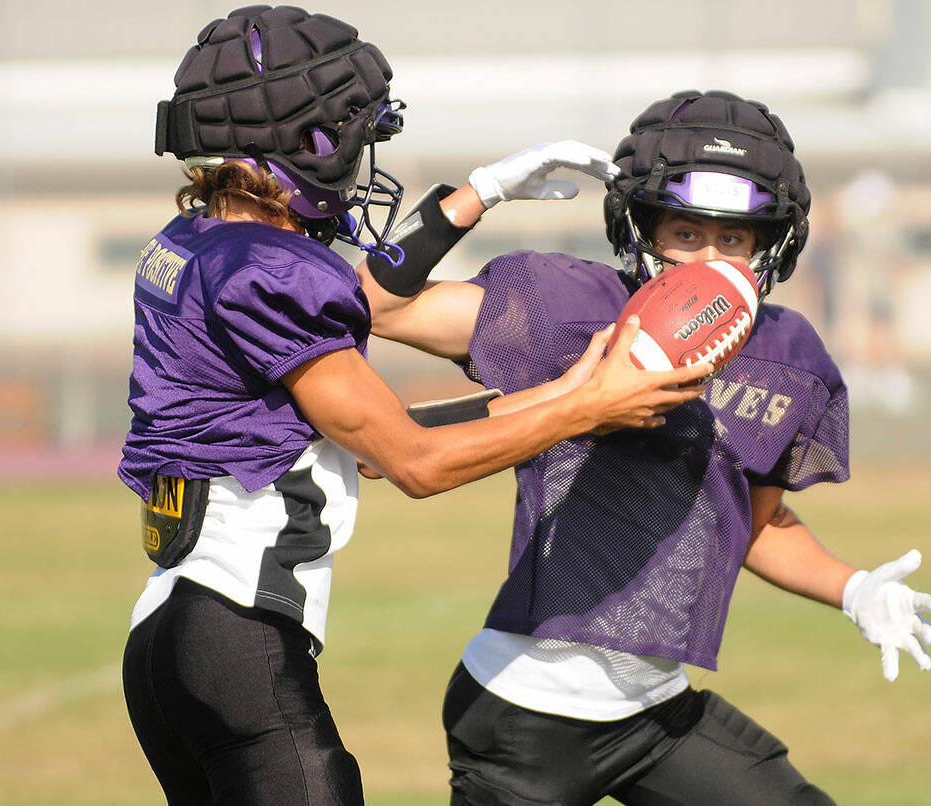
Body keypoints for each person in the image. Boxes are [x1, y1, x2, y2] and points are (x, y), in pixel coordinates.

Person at [118, 7, 711, 805]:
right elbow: (413, 462)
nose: (361, 160)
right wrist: (586, 407)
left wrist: (481, 205)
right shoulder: (269, 269)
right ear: (306, 144)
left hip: (166, 637)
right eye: (351, 138)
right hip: (238, 647)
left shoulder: (194, 244)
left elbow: (361, 438)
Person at [361, 90, 931, 806]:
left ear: (771, 244)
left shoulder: (789, 355)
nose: (710, 260)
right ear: (639, 228)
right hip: (524, 713)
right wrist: (476, 195)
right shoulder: (569, 309)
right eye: (686, 234)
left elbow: (754, 525)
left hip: (654, 713)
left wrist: (854, 588)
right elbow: (377, 307)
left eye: (733, 240)